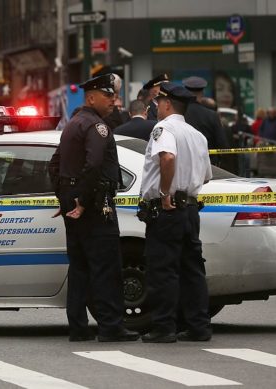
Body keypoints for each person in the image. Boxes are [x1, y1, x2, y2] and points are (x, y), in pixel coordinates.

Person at [49, 73, 139, 343]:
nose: (114, 100)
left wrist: (65, 198)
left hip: (76, 204)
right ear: (91, 98)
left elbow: (53, 165)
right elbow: (96, 163)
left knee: (79, 268)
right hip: (95, 206)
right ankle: (111, 327)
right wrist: (83, 201)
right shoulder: (95, 126)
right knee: (106, 267)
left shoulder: (73, 124)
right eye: (108, 96)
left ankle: (78, 327)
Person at [138, 82, 213, 343]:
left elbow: (167, 158)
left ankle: (164, 327)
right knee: (193, 270)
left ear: (167, 104)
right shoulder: (197, 135)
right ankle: (198, 326)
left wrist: (164, 193)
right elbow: (205, 176)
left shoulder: (163, 128)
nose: (157, 107)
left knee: (163, 270)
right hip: (190, 209)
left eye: (158, 103)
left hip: (167, 210)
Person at [182, 76, 228, 166]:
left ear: (185, 92)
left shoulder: (179, 113)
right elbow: (222, 144)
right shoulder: (212, 115)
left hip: (183, 164)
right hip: (208, 165)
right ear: (202, 93)